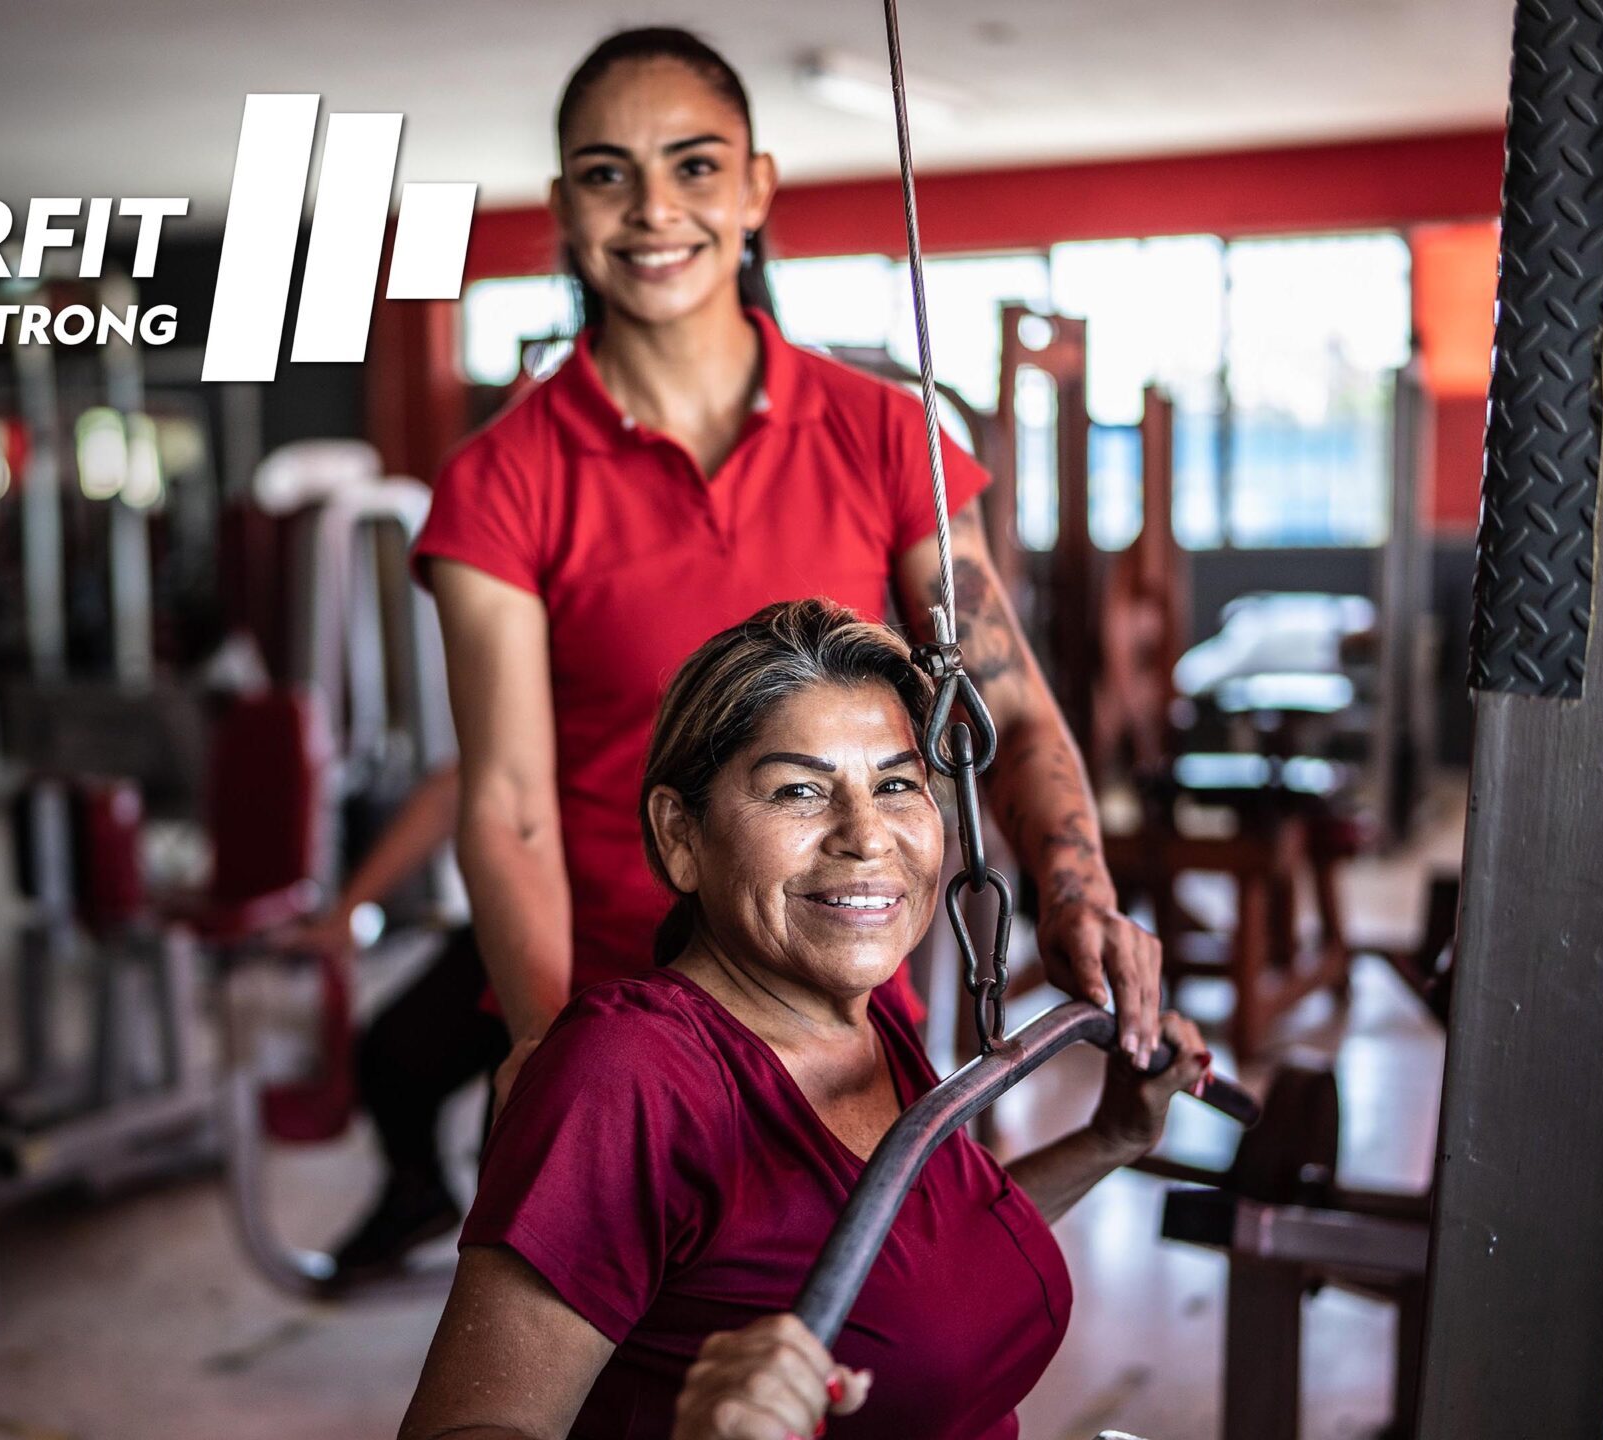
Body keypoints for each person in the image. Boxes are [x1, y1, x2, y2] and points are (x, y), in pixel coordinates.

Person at [414, 28, 1168, 1115]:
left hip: (849, 1014)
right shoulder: (502, 477)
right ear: (566, 208)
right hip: (624, 1039)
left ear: (756, 187)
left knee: (913, 1279)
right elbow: (509, 802)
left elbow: (1003, 709)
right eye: (605, 175)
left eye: (694, 165)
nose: (653, 210)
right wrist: (544, 1044)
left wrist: (1076, 895)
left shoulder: (880, 433)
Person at [399, 600, 1210, 1440]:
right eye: (799, 791)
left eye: (897, 784)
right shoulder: (627, 1074)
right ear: (680, 836)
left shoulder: (860, 1020)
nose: (866, 836)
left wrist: (1111, 1138)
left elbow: (911, 1265)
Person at [279, 762, 511, 1283]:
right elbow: (454, 788)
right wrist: (345, 913)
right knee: (391, 1054)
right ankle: (417, 1193)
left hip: (622, 930)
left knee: (520, 1166)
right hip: (519, 913)